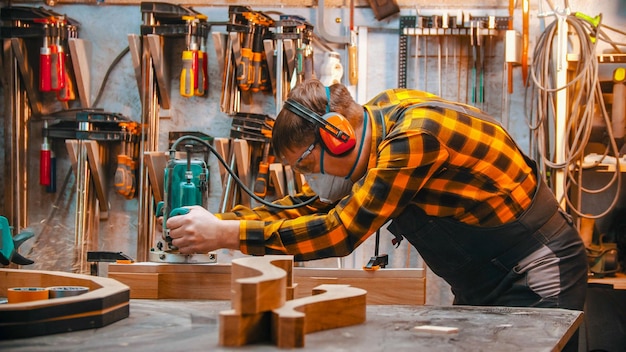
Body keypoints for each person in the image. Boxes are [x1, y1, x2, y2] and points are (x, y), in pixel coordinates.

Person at [166, 78, 588, 311]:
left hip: (535, 269)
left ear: (338, 138)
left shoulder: (412, 140)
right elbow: (319, 207)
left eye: (307, 167)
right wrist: (225, 221)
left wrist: (228, 237)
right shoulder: (378, 118)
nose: (310, 181)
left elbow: (338, 232)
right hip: (483, 275)